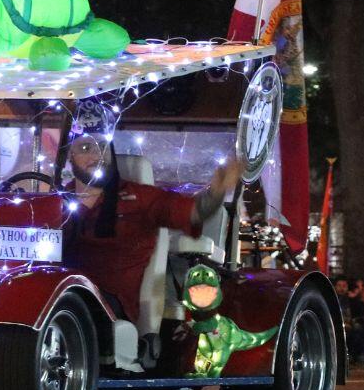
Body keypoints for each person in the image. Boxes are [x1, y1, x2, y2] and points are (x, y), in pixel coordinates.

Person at [67, 139, 244, 327]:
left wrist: (217, 192)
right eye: (85, 148)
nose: (96, 156)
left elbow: (194, 211)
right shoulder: (54, 201)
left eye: (103, 147)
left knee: (74, 308)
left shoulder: (140, 198)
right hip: (60, 292)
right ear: (69, 155)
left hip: (108, 305)